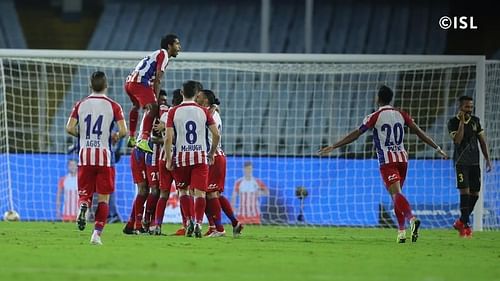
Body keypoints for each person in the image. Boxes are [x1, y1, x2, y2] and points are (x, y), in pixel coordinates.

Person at [318, 85, 448, 243]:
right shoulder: (401, 114)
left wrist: (334, 146)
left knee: (397, 195)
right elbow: (419, 132)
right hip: (403, 160)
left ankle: (412, 219)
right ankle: (401, 233)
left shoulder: (374, 116)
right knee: (396, 196)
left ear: (378, 98)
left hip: (387, 161)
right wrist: (437, 148)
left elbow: (357, 134)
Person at [66, 71, 127, 245]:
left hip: (85, 156)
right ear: (106, 85)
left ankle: (84, 204)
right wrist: (115, 136)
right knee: (104, 198)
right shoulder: (114, 106)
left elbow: (69, 128)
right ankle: (96, 234)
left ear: (90, 85)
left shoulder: (81, 104)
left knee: (86, 193)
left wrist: (83, 134)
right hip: (104, 157)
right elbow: (123, 131)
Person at [164, 80, 220, 238]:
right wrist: (211, 153)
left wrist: (169, 158)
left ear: (182, 93)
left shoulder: (173, 111)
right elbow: (216, 134)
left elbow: (168, 138)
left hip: (182, 158)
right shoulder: (204, 111)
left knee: (183, 191)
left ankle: (187, 221)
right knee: (200, 193)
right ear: (196, 94)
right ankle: (198, 223)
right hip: (200, 157)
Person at [195, 89, 243, 237]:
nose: (196, 98)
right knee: (212, 193)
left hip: (213, 156)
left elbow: (214, 133)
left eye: (199, 97)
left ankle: (219, 229)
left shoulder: (211, 115)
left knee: (209, 194)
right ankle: (233, 223)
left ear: (206, 101)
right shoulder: (211, 113)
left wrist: (211, 153)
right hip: (215, 156)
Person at [125, 34, 181, 153]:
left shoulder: (156, 54)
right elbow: (158, 80)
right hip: (140, 82)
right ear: (169, 46)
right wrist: (155, 97)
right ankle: (144, 140)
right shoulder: (164, 54)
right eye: (177, 44)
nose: (179, 47)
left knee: (136, 106)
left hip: (129, 82)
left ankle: (131, 137)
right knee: (154, 108)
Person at [448, 95, 492, 238]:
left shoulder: (476, 121)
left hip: (474, 162)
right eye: (467, 107)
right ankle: (465, 226)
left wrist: (487, 158)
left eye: (471, 107)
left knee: (475, 194)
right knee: (465, 193)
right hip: (461, 163)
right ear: (460, 106)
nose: (469, 110)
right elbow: (458, 141)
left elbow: (482, 141)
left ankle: (461, 221)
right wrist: (461, 123)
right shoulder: (453, 122)